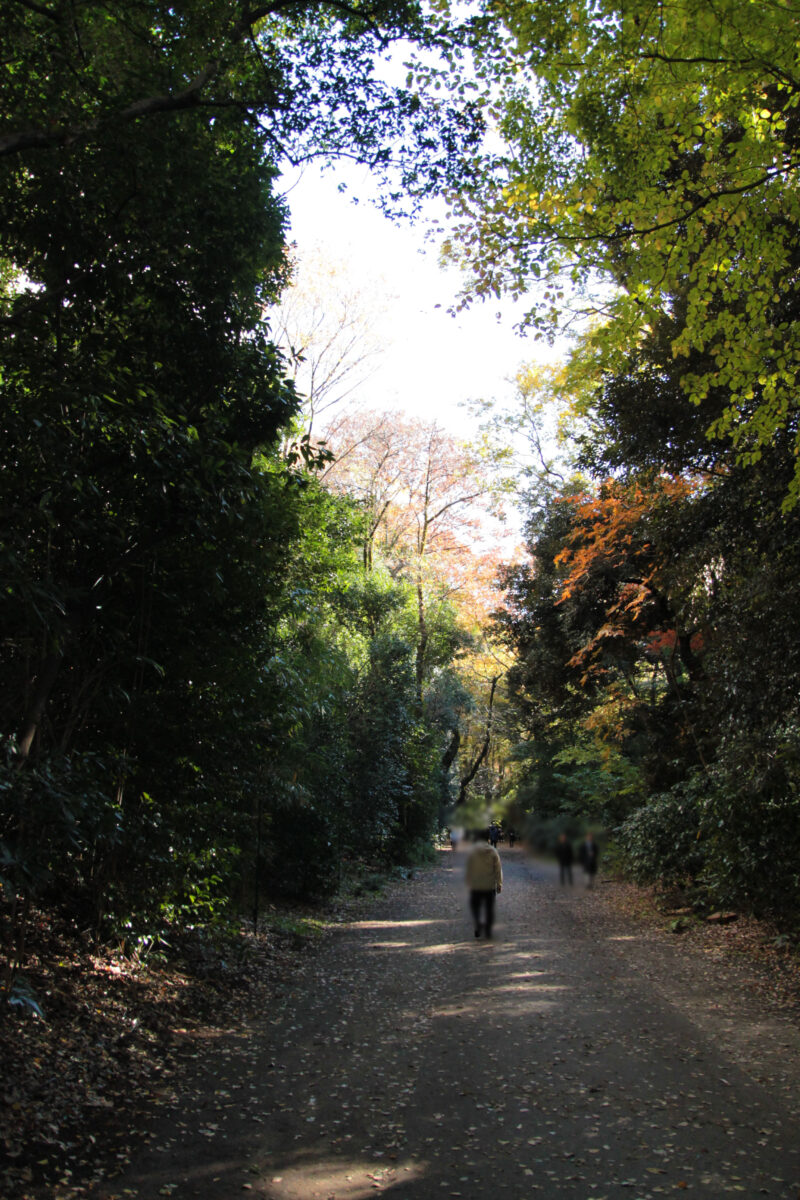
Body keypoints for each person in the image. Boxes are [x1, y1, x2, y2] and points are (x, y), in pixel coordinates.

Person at [465, 830, 503, 938]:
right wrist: (499, 884)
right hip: (489, 885)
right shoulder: (493, 851)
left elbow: (469, 868)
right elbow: (498, 869)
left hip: (476, 885)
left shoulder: (472, 851)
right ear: (488, 838)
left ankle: (477, 924)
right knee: (489, 908)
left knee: (475, 906)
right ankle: (488, 930)